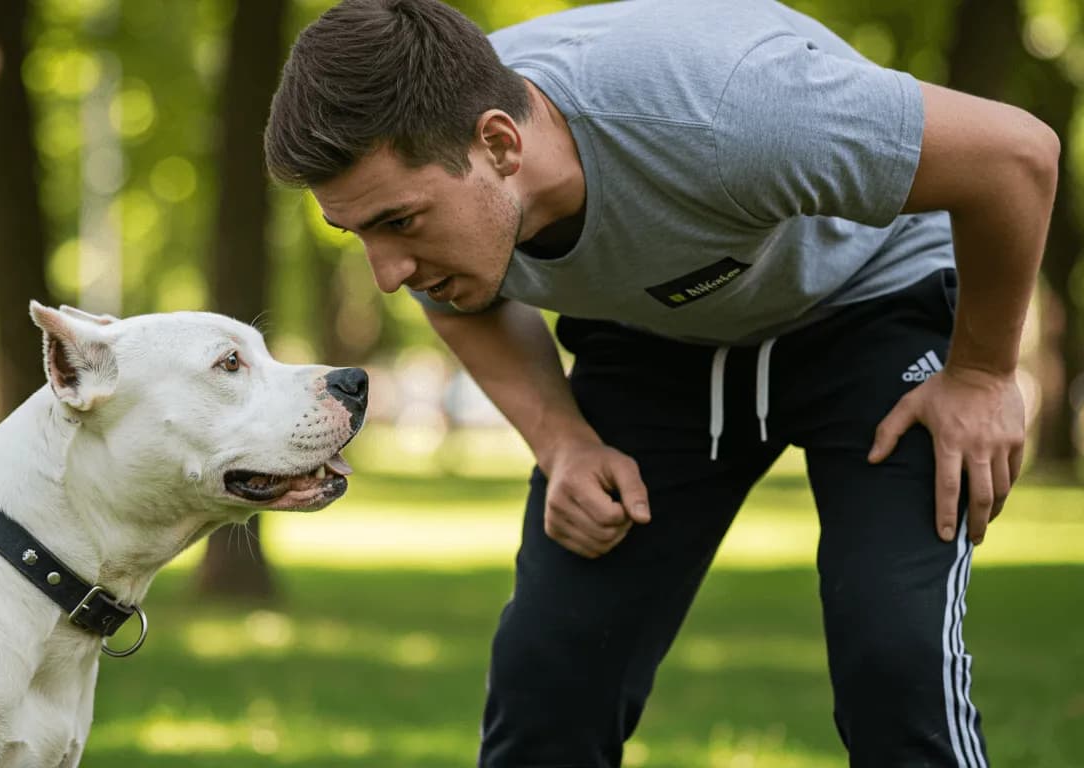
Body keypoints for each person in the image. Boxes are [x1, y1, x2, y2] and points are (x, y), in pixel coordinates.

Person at [263, 0, 1058, 764]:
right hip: (656, 339)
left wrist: (983, 373)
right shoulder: (453, 185)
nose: (388, 274)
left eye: (399, 222)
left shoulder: (732, 108)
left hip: (869, 302)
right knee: (550, 675)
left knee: (893, 662)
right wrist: (564, 444)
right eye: (357, 232)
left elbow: (1014, 155)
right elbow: (456, 300)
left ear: (501, 146)